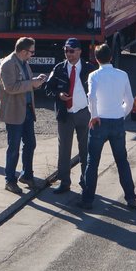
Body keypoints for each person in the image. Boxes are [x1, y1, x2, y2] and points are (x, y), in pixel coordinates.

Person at [82, 43, 136, 210]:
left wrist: (94, 116)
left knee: (92, 162)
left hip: (99, 122)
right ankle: (131, 198)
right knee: (122, 161)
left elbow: (91, 97)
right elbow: (129, 100)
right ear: (111, 57)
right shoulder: (122, 75)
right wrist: (122, 113)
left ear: (96, 59)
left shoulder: (94, 76)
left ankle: (87, 200)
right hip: (117, 121)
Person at [43, 38, 95, 194]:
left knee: (85, 149)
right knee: (64, 149)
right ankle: (64, 182)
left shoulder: (89, 69)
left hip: (84, 113)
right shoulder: (59, 68)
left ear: (79, 51)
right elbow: (48, 88)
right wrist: (58, 94)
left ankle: (86, 181)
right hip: (65, 114)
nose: (68, 54)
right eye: (66, 51)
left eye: (71, 51)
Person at [0, 37, 47, 195]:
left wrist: (36, 82)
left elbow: (26, 83)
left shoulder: (24, 62)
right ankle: (10, 180)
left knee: (30, 143)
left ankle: (26, 175)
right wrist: (32, 83)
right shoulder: (8, 64)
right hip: (14, 112)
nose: (32, 55)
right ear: (24, 51)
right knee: (13, 148)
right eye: (31, 52)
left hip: (26, 110)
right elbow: (10, 88)